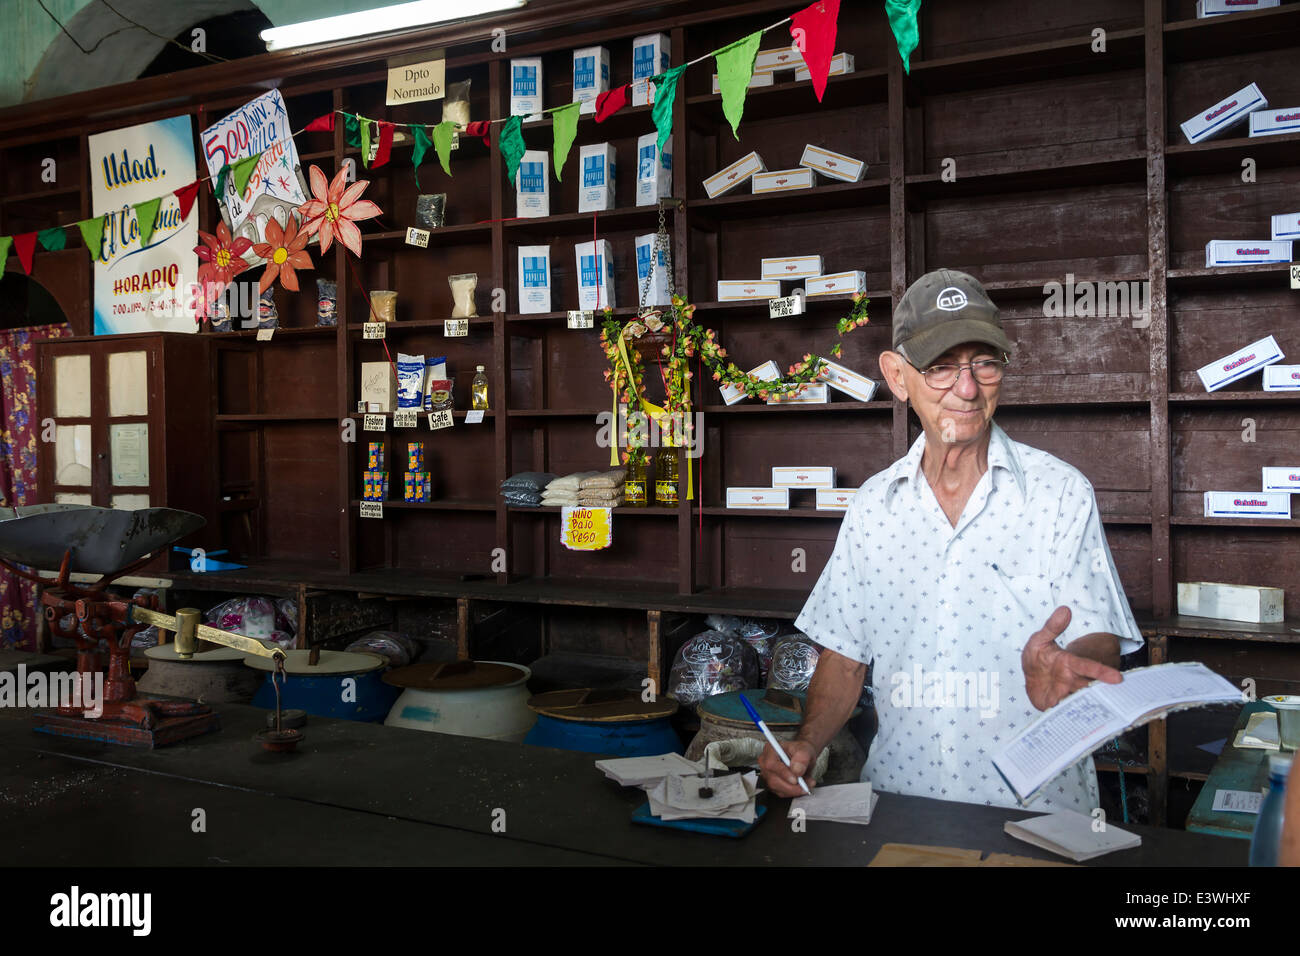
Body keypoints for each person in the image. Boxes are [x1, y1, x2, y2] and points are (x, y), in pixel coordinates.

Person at [760, 269, 1143, 812]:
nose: (967, 390)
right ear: (897, 376)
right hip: (901, 809)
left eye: (983, 363)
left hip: (1035, 811)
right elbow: (844, 659)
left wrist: (1069, 664)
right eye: (940, 368)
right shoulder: (874, 507)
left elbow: (1097, 636)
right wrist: (805, 743)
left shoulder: (1060, 493)